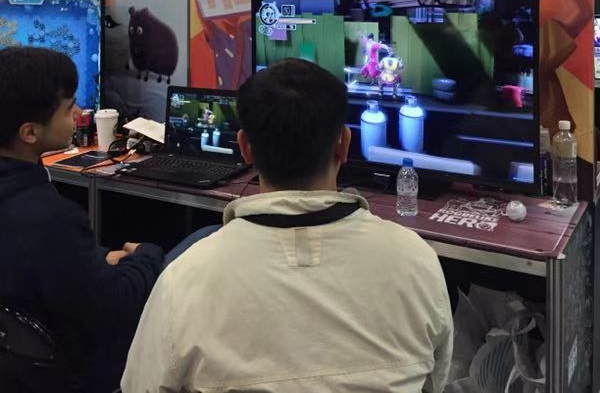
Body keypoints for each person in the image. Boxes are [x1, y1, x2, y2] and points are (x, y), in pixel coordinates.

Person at [122, 58, 453, 392]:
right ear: (344, 144)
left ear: (245, 148)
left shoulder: (183, 279)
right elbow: (434, 382)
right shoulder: (417, 261)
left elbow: (140, 386)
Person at [0, 47, 164, 393]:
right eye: (69, 107)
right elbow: (114, 307)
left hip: (18, 357)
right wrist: (147, 256)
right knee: (199, 241)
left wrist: (97, 259)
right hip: (71, 368)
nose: (78, 113)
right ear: (29, 133)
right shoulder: (50, 219)